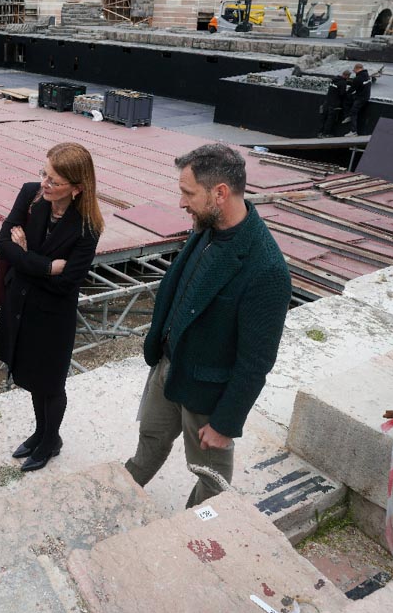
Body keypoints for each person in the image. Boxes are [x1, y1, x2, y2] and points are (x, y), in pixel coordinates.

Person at [124, 144, 292, 508]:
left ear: (220, 193)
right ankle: (123, 490)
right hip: (169, 367)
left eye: (188, 193)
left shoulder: (267, 269)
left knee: (211, 476)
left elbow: (256, 361)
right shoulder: (209, 225)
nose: (182, 203)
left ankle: (196, 527)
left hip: (208, 395)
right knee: (150, 438)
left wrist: (225, 424)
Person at [0, 143, 103, 472]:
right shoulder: (30, 195)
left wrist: (24, 254)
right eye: (44, 173)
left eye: (54, 180)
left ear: (77, 187)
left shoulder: (88, 227)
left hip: (53, 317)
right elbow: (2, 244)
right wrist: (43, 265)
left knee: (51, 384)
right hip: (21, 306)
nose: (44, 183)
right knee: (29, 377)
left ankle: (50, 440)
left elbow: (66, 283)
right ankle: (40, 433)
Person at [318, 70, 351, 137]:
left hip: (327, 101)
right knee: (330, 119)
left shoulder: (334, 80)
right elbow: (342, 94)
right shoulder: (343, 82)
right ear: (347, 76)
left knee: (323, 118)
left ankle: (320, 133)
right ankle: (326, 134)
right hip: (334, 104)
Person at [346, 63, 373, 136]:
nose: (354, 71)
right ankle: (350, 115)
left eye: (354, 70)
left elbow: (352, 89)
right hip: (366, 96)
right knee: (352, 101)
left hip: (360, 98)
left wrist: (346, 92)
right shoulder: (367, 76)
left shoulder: (358, 78)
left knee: (353, 112)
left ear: (357, 69)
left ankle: (353, 131)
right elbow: (359, 85)